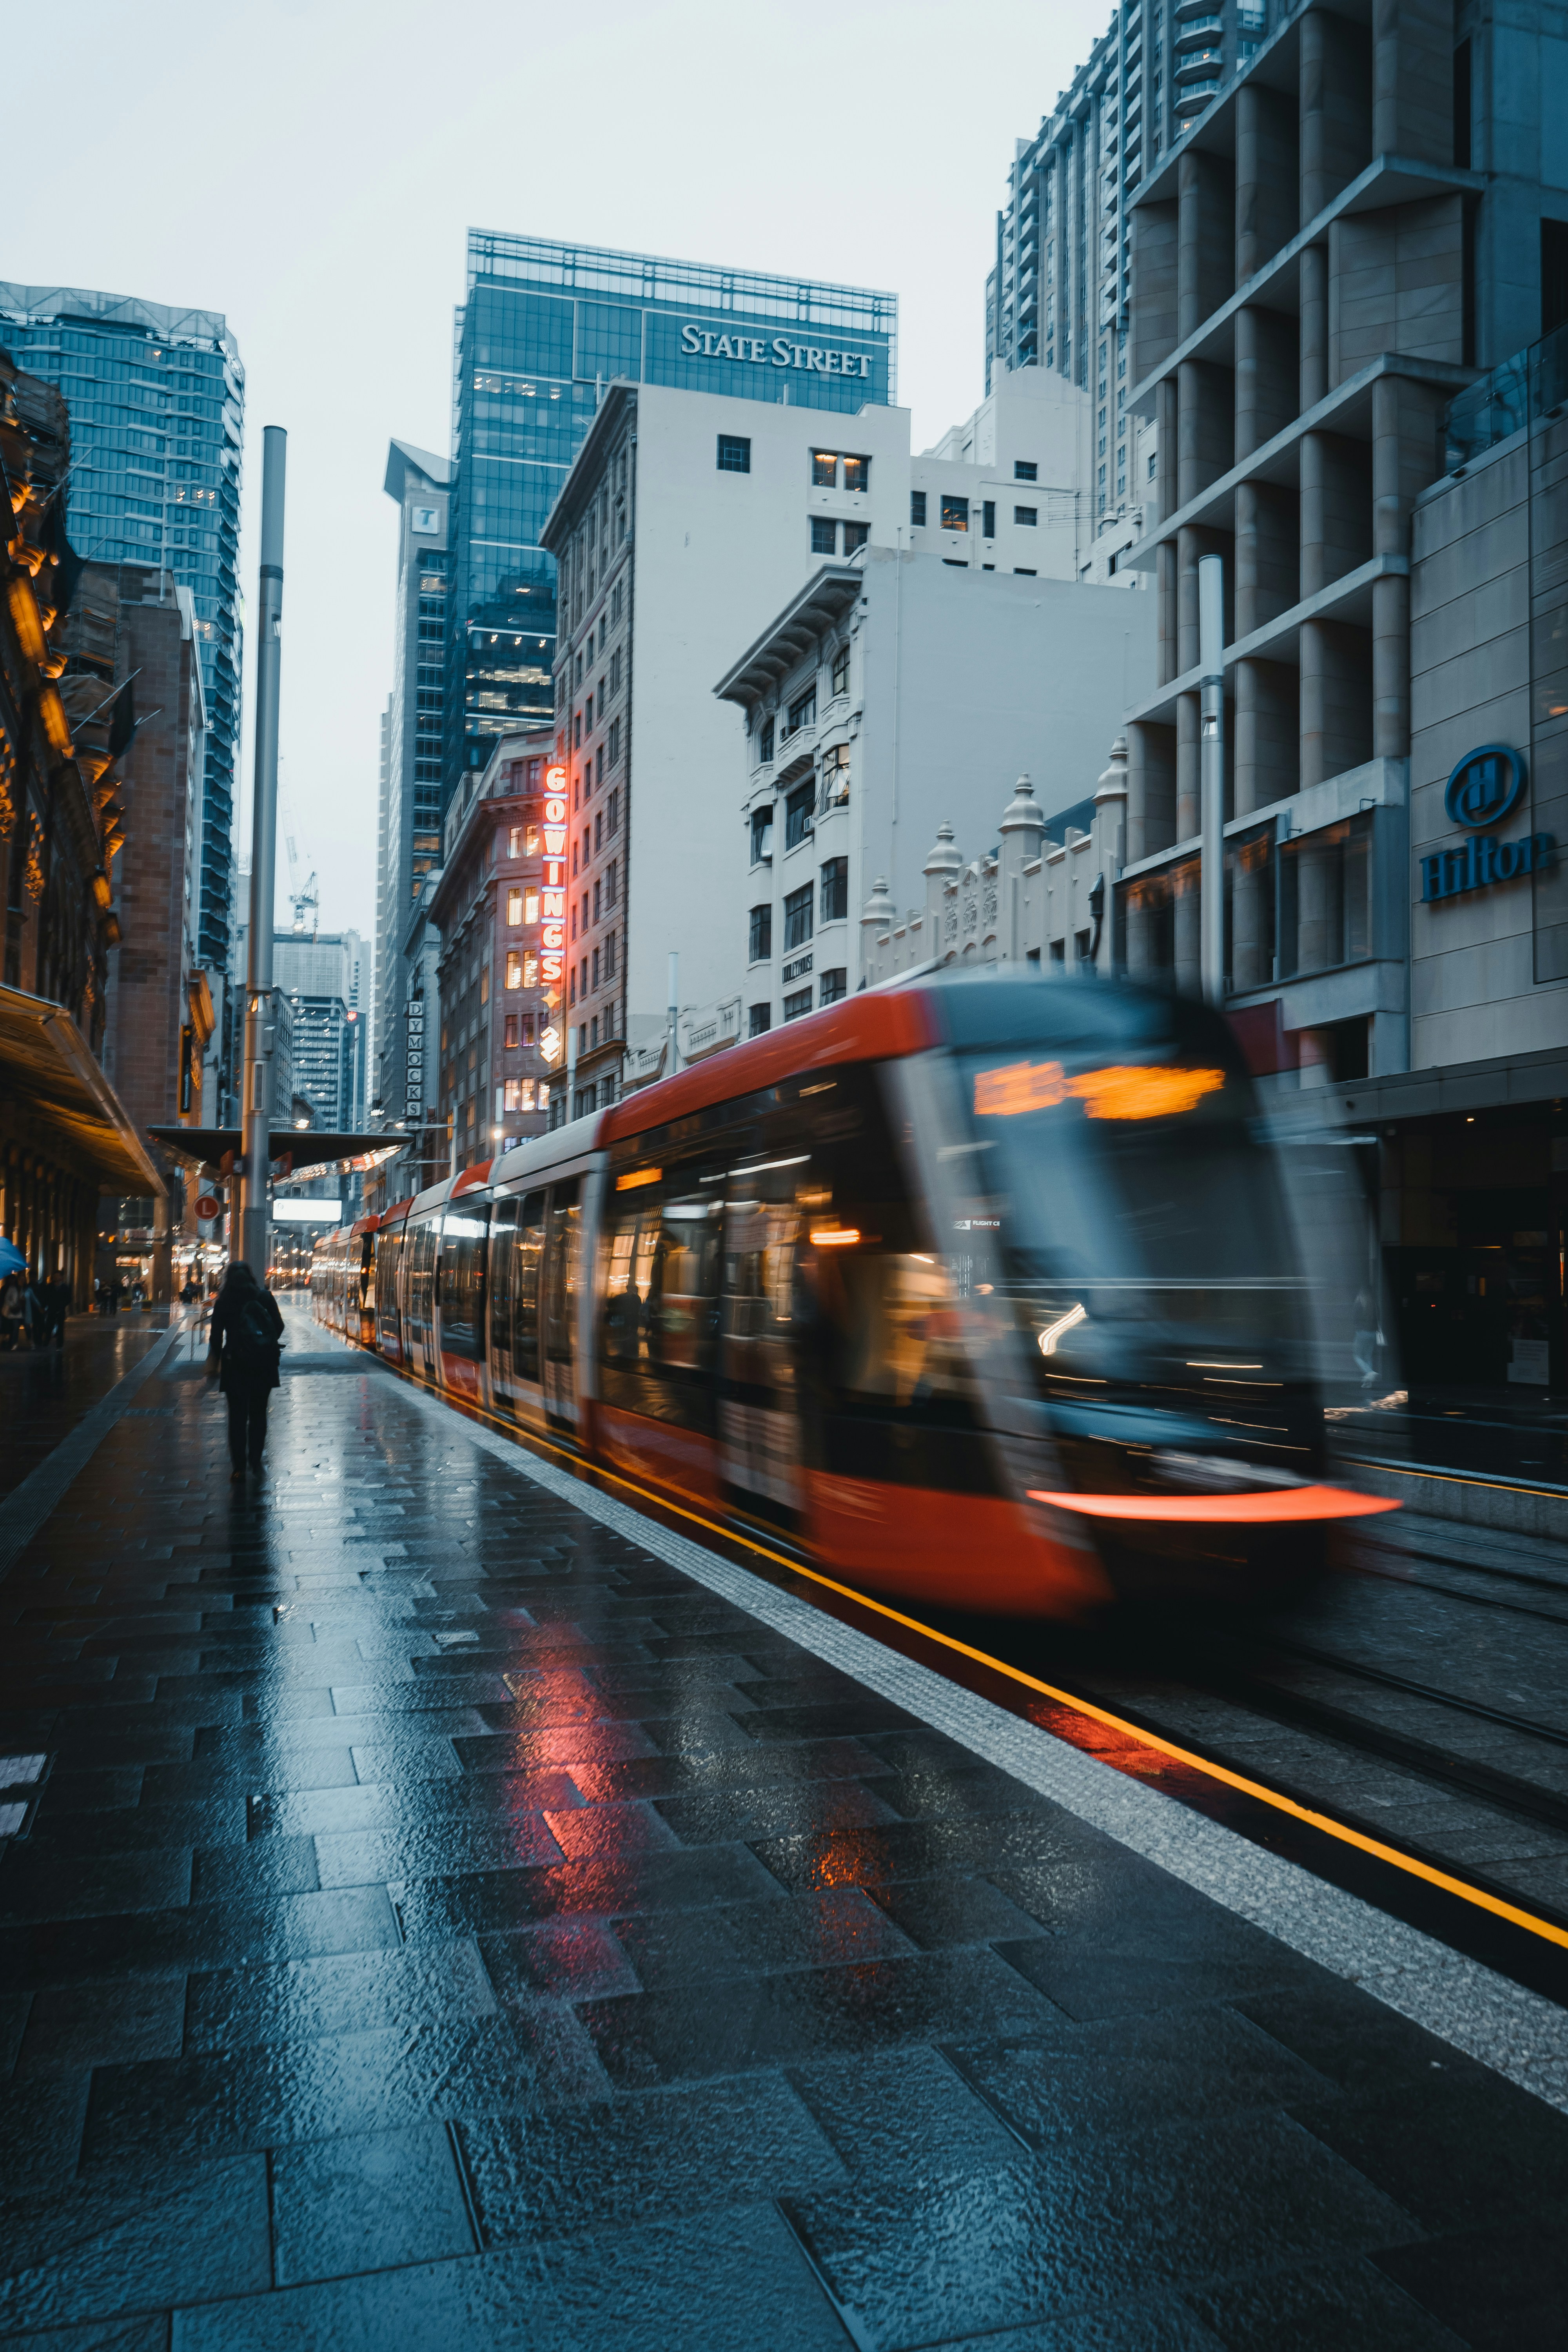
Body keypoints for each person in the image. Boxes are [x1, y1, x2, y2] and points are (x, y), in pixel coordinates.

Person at [207, 1260, 285, 1485]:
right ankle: (256, 1460)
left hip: (236, 1365)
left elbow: (215, 1336)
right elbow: (278, 1327)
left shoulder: (224, 1302)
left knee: (237, 1417)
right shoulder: (265, 1297)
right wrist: (261, 1341)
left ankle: (238, 1467)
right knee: (259, 1414)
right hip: (264, 1365)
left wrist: (216, 1360)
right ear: (251, 1277)